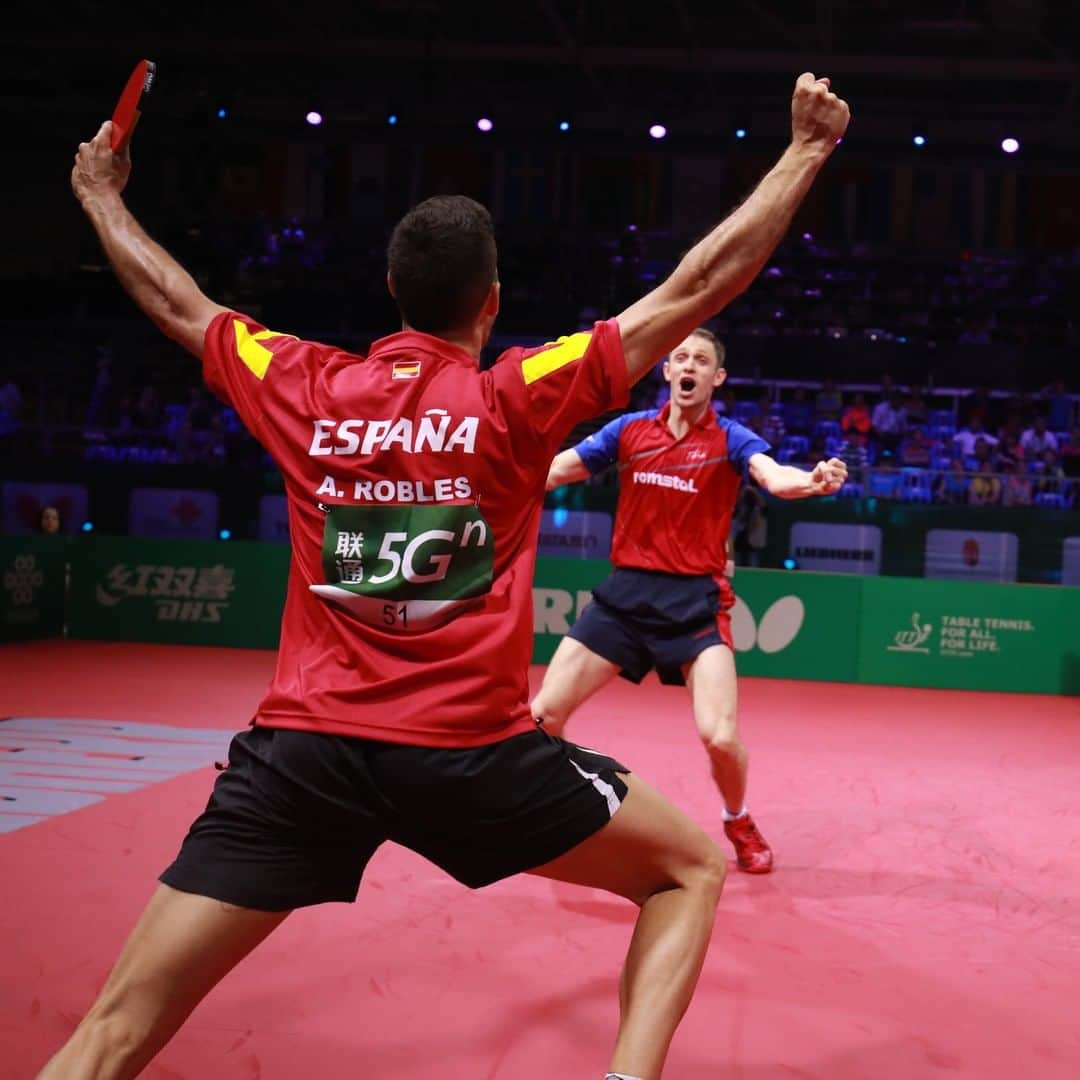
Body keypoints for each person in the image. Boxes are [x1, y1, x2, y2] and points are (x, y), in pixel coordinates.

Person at [46, 73, 849, 1080]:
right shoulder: (515, 395)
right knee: (687, 868)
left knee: (112, 1034)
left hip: (302, 758)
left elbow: (178, 301)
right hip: (467, 759)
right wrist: (804, 151)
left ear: (392, 292)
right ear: (494, 301)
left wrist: (100, 196)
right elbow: (694, 288)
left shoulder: (302, 381)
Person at [530, 327, 847, 875]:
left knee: (720, 737)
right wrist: (492, 472)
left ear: (716, 378)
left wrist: (813, 481)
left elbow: (773, 478)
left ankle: (737, 817)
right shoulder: (628, 431)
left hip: (695, 603)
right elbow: (559, 470)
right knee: (543, 715)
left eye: (701, 360)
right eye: (680, 357)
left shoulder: (730, 439)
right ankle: (561, 808)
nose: (689, 366)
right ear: (667, 370)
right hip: (625, 597)